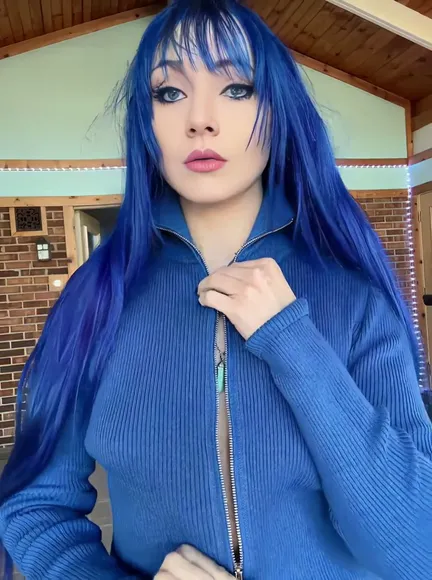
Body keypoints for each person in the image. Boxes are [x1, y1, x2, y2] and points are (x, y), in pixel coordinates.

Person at [1, 0, 432, 578]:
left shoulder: (355, 300)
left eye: (236, 88)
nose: (200, 120)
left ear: (277, 111)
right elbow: (35, 505)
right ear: (145, 122)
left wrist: (292, 341)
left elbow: (418, 550)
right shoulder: (95, 301)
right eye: (169, 92)